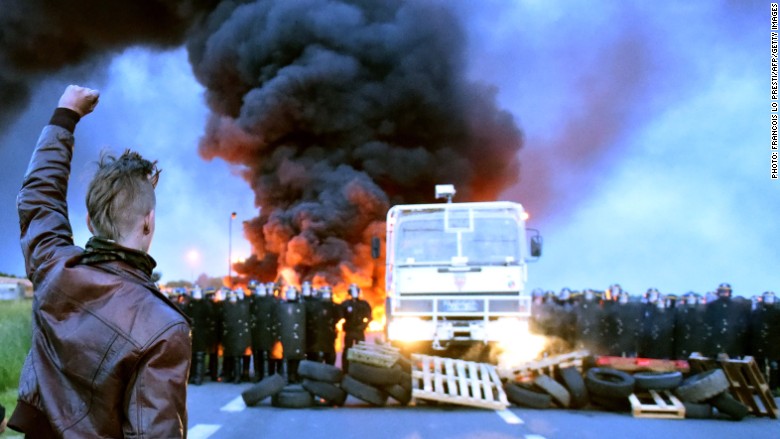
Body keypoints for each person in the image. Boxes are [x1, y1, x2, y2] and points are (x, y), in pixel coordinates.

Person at [9, 85, 191, 438]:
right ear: (149, 220)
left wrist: (66, 113)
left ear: (90, 222)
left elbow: (38, 198)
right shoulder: (165, 328)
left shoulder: (54, 268)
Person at [340, 283, 372, 372]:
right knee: (347, 350)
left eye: (356, 291)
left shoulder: (364, 304)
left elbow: (369, 317)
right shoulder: (345, 304)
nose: (354, 293)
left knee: (361, 350)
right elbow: (339, 315)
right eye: (352, 291)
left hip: (359, 331)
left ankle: (360, 370)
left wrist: (364, 326)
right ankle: (345, 369)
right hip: (349, 331)